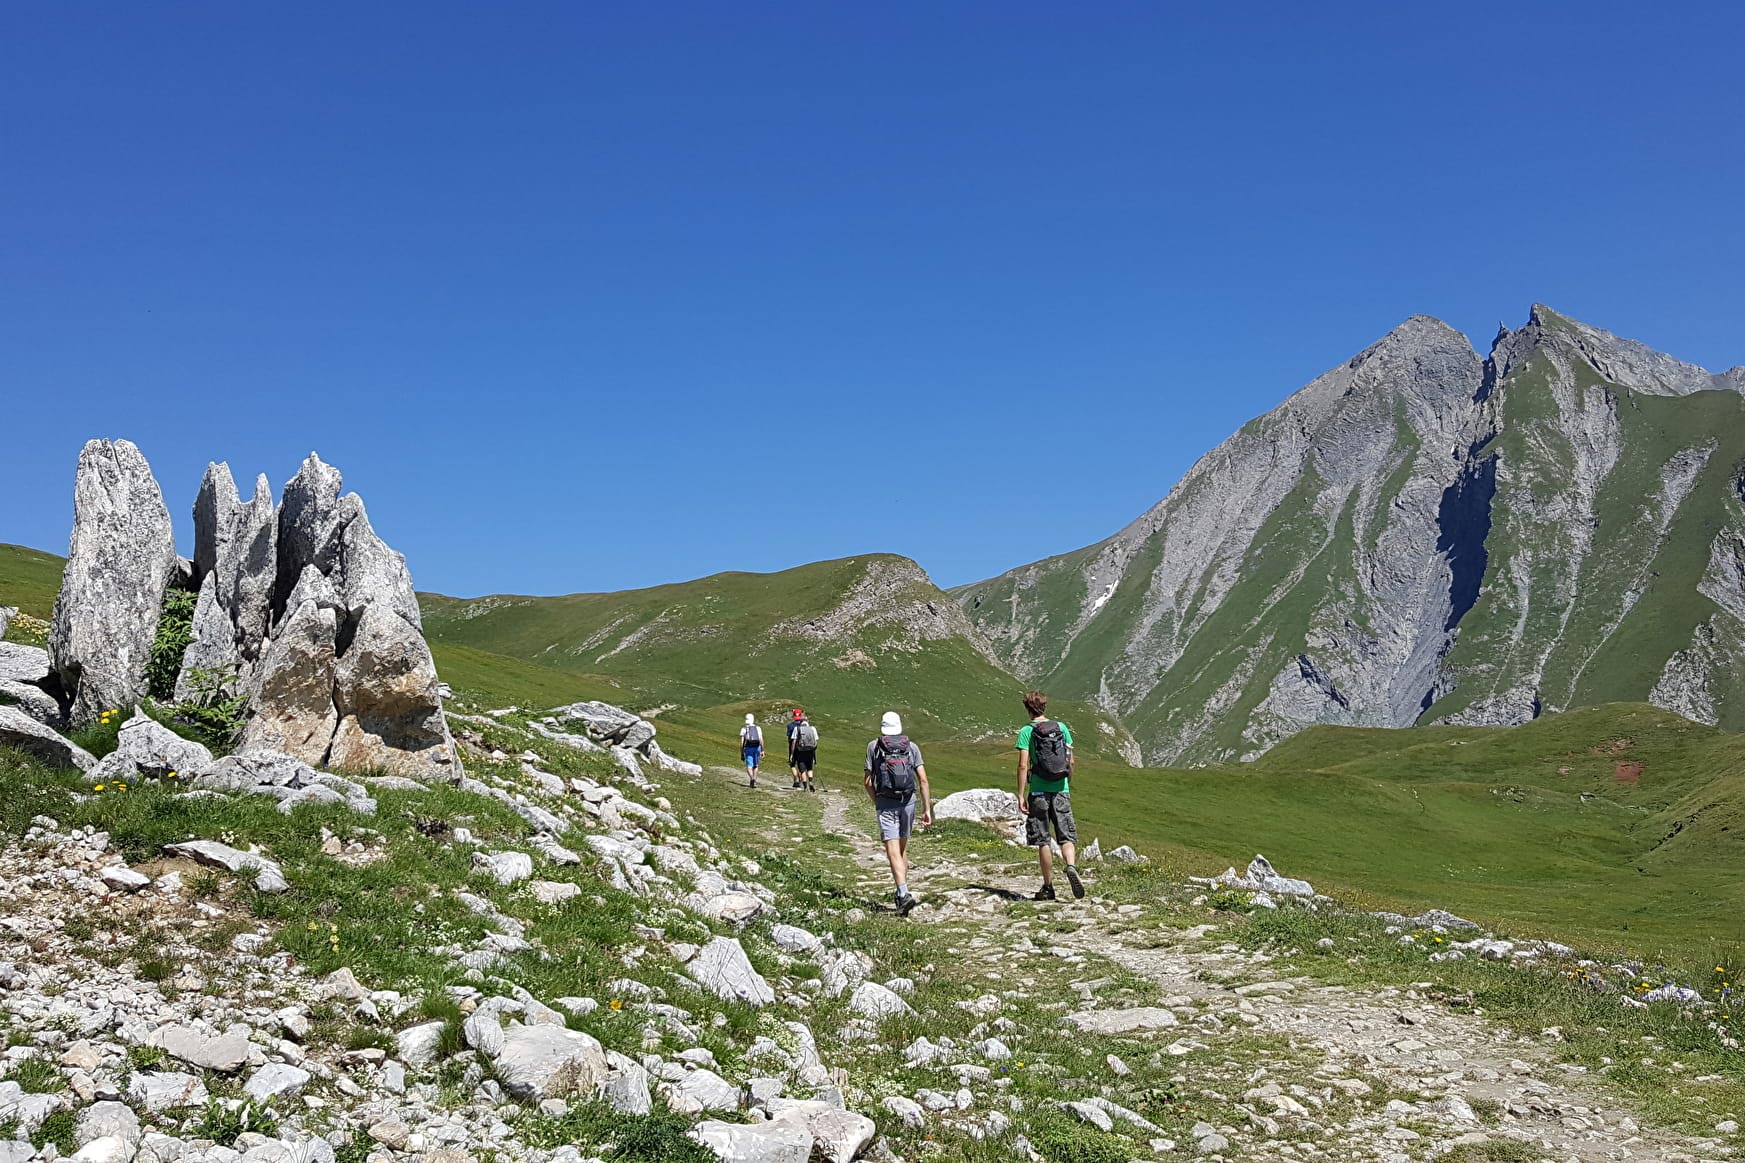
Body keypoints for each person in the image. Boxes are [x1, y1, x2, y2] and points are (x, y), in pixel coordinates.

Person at [1016, 690, 1083, 901]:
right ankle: (1071, 866)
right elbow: (1070, 760)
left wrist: (1020, 794)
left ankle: (1048, 886)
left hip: (1038, 790)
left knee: (1043, 839)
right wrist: (1066, 783)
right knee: (1066, 835)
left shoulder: (1026, 732)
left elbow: (1022, 765)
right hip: (1061, 788)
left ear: (1028, 709)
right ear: (1045, 707)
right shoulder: (1061, 728)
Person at [864, 711, 932, 915]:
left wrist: (877, 801)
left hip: (886, 802)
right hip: (908, 802)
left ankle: (903, 893)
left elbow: (867, 782)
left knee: (892, 850)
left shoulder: (873, 747)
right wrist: (927, 809)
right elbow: (923, 780)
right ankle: (902, 890)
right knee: (901, 849)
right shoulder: (911, 747)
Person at [789, 709, 821, 792]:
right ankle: (810, 782)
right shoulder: (813, 728)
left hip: (800, 751)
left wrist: (792, 753)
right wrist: (813, 751)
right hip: (810, 751)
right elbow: (816, 740)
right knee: (809, 768)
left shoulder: (797, 729)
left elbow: (794, 742)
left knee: (802, 769)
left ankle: (805, 786)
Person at [739, 713, 764, 788]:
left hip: (748, 748)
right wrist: (762, 750)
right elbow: (761, 739)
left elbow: (742, 742)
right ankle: (755, 780)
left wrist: (742, 752)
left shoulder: (743, 729)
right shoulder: (758, 728)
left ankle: (752, 778)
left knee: (749, 765)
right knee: (755, 765)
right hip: (757, 747)